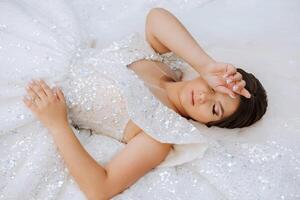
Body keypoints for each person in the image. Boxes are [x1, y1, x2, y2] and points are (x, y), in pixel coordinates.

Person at [4, 2, 291, 200]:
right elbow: (156, 16)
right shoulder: (166, 63)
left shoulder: (160, 134)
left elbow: (100, 189)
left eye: (214, 108)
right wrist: (205, 65)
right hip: (41, 55)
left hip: (36, 104)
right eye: (215, 89)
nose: (204, 96)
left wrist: (57, 125)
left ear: (210, 123)